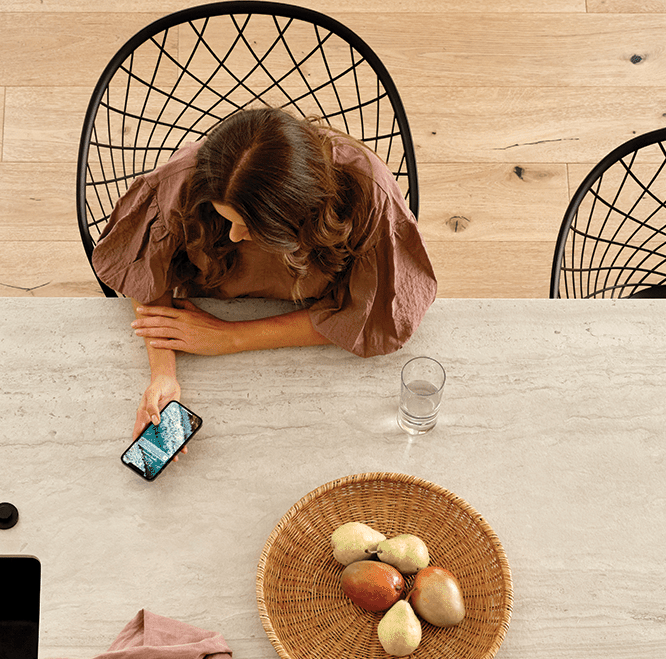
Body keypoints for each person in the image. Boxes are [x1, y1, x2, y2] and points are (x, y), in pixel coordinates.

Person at [91, 106, 438, 437]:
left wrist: (231, 337)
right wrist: (163, 375)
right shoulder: (187, 178)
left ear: (301, 214)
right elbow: (144, 271)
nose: (233, 236)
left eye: (248, 227)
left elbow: (365, 318)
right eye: (227, 220)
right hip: (207, 305)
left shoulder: (368, 191)